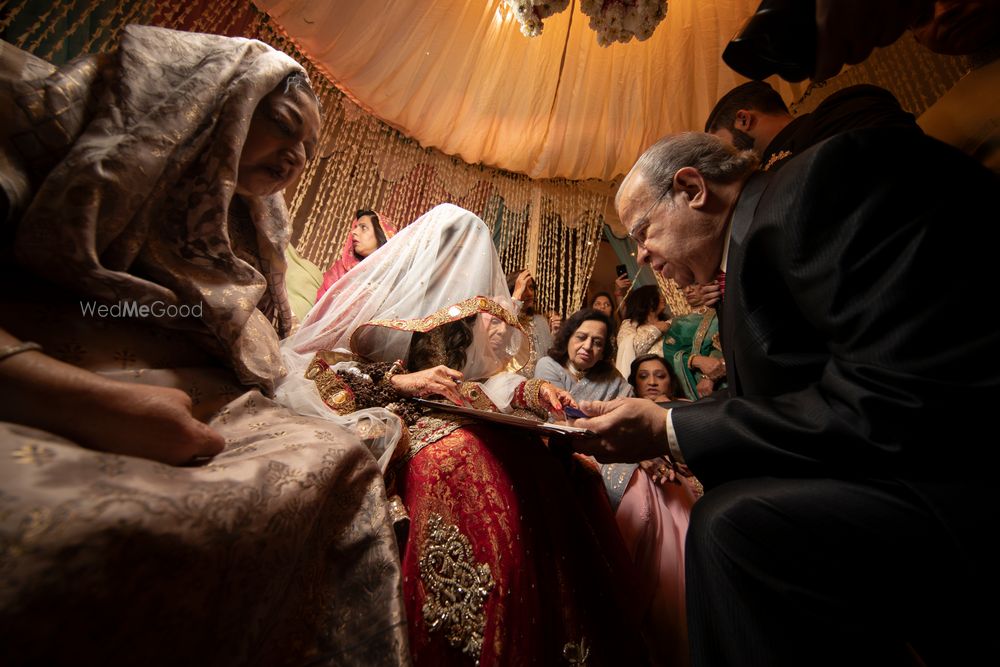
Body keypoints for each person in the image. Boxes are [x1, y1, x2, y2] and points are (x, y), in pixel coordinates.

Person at [0, 26, 409, 665]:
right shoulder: (64, 125)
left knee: (348, 454)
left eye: (310, 148)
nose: (297, 157)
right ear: (214, 100)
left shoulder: (241, 227)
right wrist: (87, 403)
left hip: (190, 400)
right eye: (282, 125)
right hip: (62, 372)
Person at [569, 130, 1000, 666]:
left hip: (957, 478)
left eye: (642, 231)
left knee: (731, 527)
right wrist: (667, 418)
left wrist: (669, 430)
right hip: (897, 471)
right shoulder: (747, 251)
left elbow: (891, 399)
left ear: (691, 188)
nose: (640, 255)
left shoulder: (817, 188)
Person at [279, 205, 647, 666]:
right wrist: (400, 380)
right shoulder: (385, 295)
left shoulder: (471, 312)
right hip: (406, 417)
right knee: (461, 462)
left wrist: (540, 391)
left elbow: (495, 377)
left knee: (549, 462)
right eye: (455, 252)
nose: (465, 265)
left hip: (470, 415)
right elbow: (320, 365)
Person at [536, 316, 697, 666]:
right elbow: (564, 421)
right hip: (576, 454)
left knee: (665, 494)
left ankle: (658, 613)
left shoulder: (612, 378)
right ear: (567, 337)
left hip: (617, 452)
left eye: (597, 342)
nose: (588, 347)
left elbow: (633, 422)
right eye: (581, 337)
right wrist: (637, 453)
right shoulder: (546, 368)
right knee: (641, 504)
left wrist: (647, 452)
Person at [704, 80, 918, 172]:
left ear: (743, 120)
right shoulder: (751, 181)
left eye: (718, 142)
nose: (722, 156)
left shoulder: (842, 108)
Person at [315, 208, 396, 300]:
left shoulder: (393, 277)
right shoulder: (341, 269)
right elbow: (321, 304)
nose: (354, 232)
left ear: (381, 234)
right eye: (355, 227)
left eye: (363, 228)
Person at [506, 268, 554, 377]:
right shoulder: (504, 321)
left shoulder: (540, 321)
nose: (529, 293)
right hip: (511, 382)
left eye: (531, 287)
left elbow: (548, 356)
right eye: (523, 289)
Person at [616, 284, 671, 372]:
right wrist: (656, 329)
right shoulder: (629, 325)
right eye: (657, 295)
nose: (662, 297)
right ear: (646, 300)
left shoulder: (669, 323)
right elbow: (630, 351)